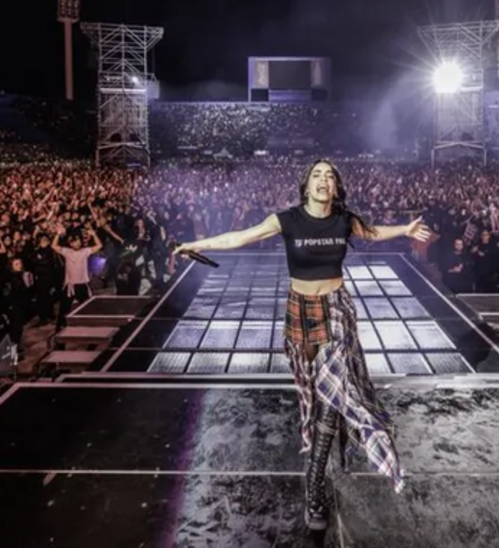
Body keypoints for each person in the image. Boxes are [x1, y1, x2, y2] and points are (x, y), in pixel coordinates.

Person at [174, 159, 430, 530]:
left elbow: (374, 232)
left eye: (330, 176)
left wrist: (406, 228)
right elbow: (239, 237)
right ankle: (325, 455)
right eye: (317, 175)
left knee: (333, 392)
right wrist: (194, 244)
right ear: (306, 185)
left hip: (337, 312)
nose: (324, 180)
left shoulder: (345, 219)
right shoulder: (288, 219)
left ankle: (314, 489)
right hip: (299, 312)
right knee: (314, 394)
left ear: (336, 187)